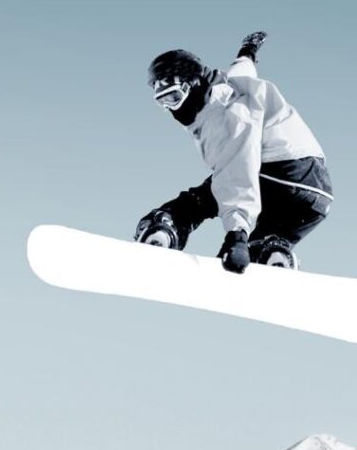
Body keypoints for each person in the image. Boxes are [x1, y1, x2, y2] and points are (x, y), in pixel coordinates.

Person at [135, 32, 332, 272]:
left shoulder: (223, 115)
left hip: (282, 174)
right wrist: (248, 51)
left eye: (174, 97)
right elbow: (243, 67)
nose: (171, 107)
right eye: (163, 101)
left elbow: (238, 171)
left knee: (200, 199)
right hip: (316, 195)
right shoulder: (231, 83)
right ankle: (272, 254)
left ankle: (165, 228)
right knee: (258, 244)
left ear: (192, 84)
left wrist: (236, 235)